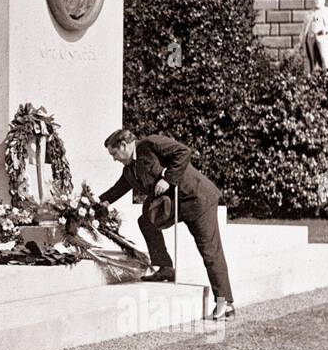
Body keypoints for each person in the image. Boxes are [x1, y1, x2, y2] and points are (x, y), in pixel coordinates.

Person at [99, 128, 236, 320]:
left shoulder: (150, 144)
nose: (114, 159)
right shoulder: (130, 169)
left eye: (114, 154)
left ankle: (226, 303)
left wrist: (167, 179)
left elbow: (183, 152)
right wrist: (96, 204)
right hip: (174, 204)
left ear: (123, 145)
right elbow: (118, 189)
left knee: (209, 251)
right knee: (146, 221)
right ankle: (165, 268)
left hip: (197, 199)